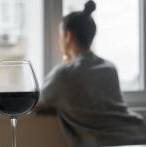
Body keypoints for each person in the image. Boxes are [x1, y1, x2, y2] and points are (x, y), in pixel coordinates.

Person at [36, 1, 146, 146]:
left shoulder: (64, 74)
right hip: (138, 134)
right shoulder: (109, 68)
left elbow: (37, 104)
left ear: (68, 36)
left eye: (60, 35)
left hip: (106, 143)